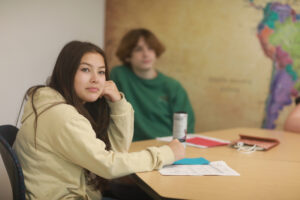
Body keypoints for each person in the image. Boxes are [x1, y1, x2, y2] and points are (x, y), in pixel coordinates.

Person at [13, 40, 185, 200]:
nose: (95, 78)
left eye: (101, 72)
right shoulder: (63, 116)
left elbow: (116, 152)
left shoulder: (52, 103)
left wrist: (117, 103)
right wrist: (167, 153)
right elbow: (108, 166)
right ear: (66, 72)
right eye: (85, 69)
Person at [110, 28, 195, 141]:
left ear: (156, 53)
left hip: (167, 146)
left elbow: (187, 127)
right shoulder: (119, 75)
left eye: (150, 48)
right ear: (127, 55)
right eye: (138, 49)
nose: (146, 54)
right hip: (132, 147)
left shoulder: (173, 86)